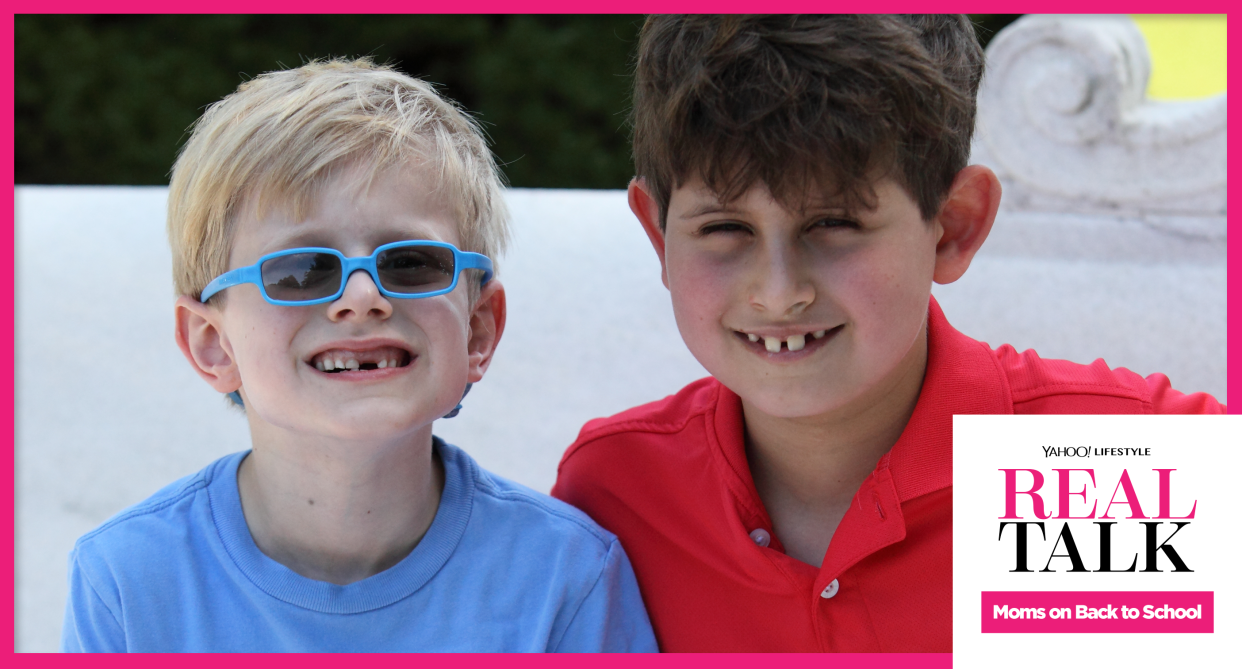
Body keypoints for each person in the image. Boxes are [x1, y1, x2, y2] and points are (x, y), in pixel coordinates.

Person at [550, 15, 1224, 652]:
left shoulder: (1114, 472)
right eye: (725, 229)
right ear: (658, 234)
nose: (780, 291)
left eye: (834, 224)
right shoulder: (618, 493)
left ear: (954, 226)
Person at [61, 58, 656, 653]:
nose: (363, 297)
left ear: (478, 329)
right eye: (301, 271)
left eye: (410, 263)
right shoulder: (127, 583)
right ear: (213, 344)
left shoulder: (567, 575)